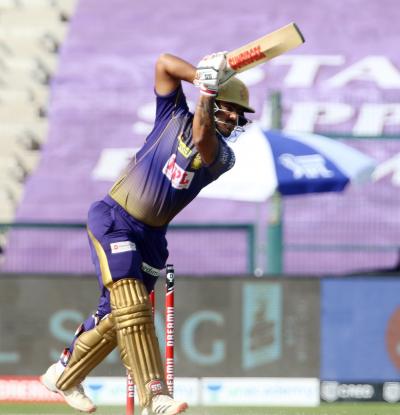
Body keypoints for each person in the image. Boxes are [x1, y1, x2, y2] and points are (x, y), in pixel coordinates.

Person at [40, 51, 255, 414]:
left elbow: (201, 136)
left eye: (239, 115)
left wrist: (207, 93)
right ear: (216, 100)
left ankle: (62, 375)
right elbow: (164, 63)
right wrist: (200, 76)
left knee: (116, 317)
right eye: (229, 109)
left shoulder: (222, 156)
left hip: (152, 239)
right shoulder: (171, 115)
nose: (234, 118)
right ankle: (154, 396)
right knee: (134, 306)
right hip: (115, 218)